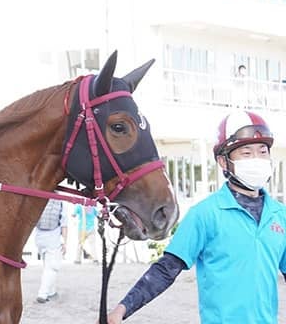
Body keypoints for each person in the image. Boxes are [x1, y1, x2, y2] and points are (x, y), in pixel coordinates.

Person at [105, 110, 286, 324]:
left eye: (263, 152)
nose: (257, 159)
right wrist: (122, 310)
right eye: (246, 153)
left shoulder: (280, 215)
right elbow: (166, 269)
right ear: (223, 161)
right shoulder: (205, 214)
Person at [34, 199, 69, 303]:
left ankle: (51, 292)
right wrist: (65, 241)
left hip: (39, 236)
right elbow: (64, 224)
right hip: (53, 236)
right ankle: (43, 294)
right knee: (52, 267)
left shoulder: (40, 199)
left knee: (47, 265)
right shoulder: (61, 201)